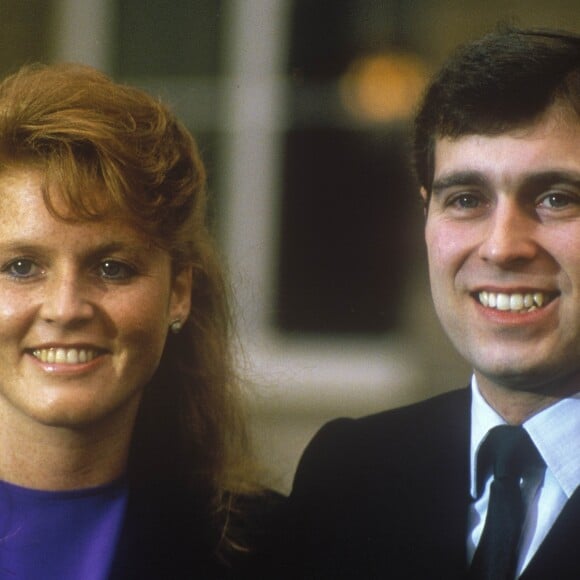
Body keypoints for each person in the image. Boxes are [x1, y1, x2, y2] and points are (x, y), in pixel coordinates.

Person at [277, 28, 580, 579]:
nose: (501, 246)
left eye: (556, 198)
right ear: (426, 218)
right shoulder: (347, 475)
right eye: (466, 199)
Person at [0, 62, 274, 579]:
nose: (65, 307)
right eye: (21, 267)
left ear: (178, 293)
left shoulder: (276, 549)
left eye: (112, 268)